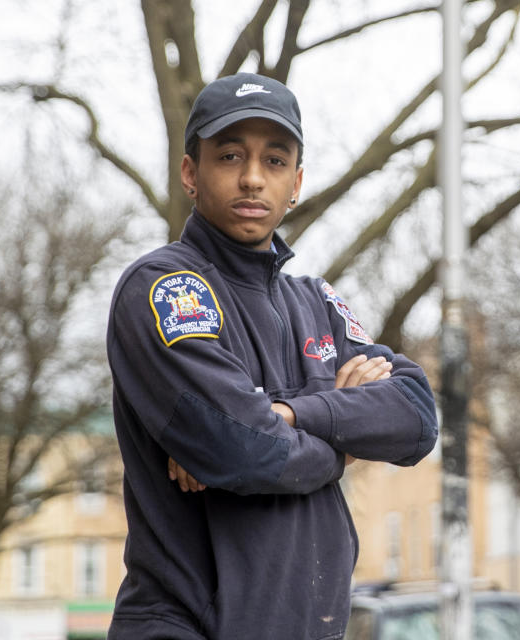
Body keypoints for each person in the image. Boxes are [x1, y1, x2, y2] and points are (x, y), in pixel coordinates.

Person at [106, 72, 438, 640]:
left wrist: (288, 415)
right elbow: (241, 448)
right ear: (191, 172)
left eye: (275, 160)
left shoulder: (318, 301)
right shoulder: (164, 288)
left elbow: (416, 416)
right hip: (190, 627)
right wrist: (346, 436)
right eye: (230, 155)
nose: (253, 178)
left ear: (297, 182)